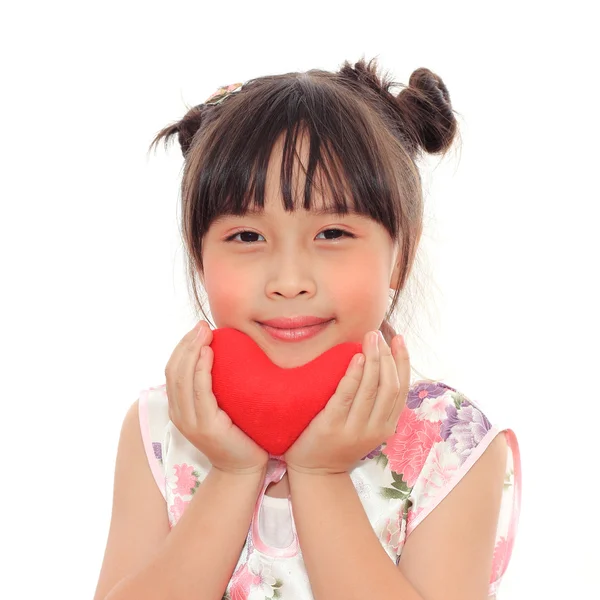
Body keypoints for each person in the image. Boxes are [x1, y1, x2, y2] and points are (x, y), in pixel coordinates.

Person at [93, 57, 521, 600]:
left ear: (399, 252)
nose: (289, 280)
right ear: (200, 258)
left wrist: (320, 476)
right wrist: (231, 471)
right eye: (247, 236)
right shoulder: (162, 427)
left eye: (333, 232)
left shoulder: (449, 441)